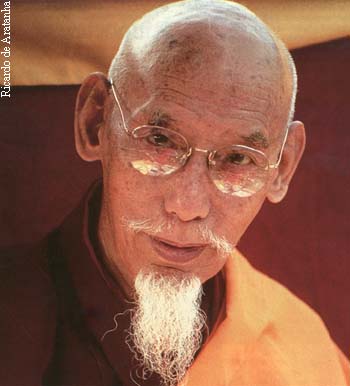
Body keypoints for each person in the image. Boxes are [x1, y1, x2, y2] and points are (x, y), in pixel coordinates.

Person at [1, 1, 349, 385]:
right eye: (158, 140)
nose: (187, 207)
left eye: (237, 158)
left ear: (281, 167)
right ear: (95, 121)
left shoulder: (300, 352)